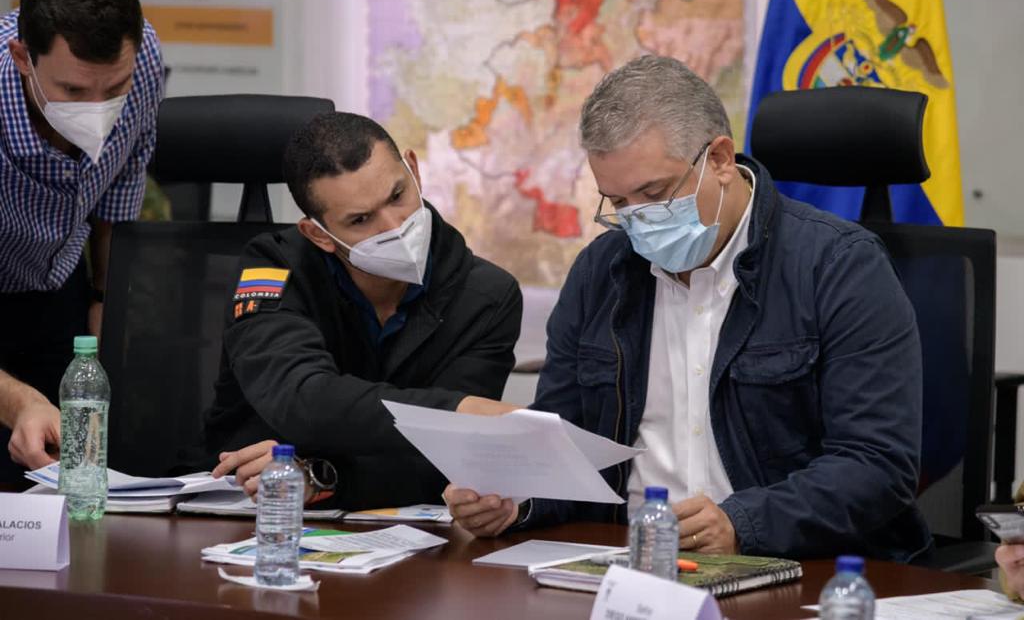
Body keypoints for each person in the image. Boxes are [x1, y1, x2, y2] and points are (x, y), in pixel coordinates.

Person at [445, 55, 932, 561]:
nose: (638, 219)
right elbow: (566, 446)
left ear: (719, 159)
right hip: (627, 562)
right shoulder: (600, 272)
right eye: (618, 201)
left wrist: (743, 523)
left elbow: (876, 465)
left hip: (795, 565)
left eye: (655, 193)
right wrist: (515, 501)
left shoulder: (838, 265)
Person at [205, 112, 522, 509]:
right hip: (251, 514)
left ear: (414, 170)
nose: (393, 226)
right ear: (318, 234)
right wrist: (458, 410)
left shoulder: (489, 296)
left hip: (407, 530)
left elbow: (449, 459)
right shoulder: (271, 268)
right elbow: (302, 399)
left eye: (396, 196)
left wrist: (322, 476)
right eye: (360, 219)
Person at [0, 0, 164, 479]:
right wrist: (18, 403)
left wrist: (103, 300)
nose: (97, 107)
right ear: (23, 57)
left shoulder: (139, 64)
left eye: (112, 90)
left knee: (72, 480)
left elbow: (123, 179)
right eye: (73, 91)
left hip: (60, 286)